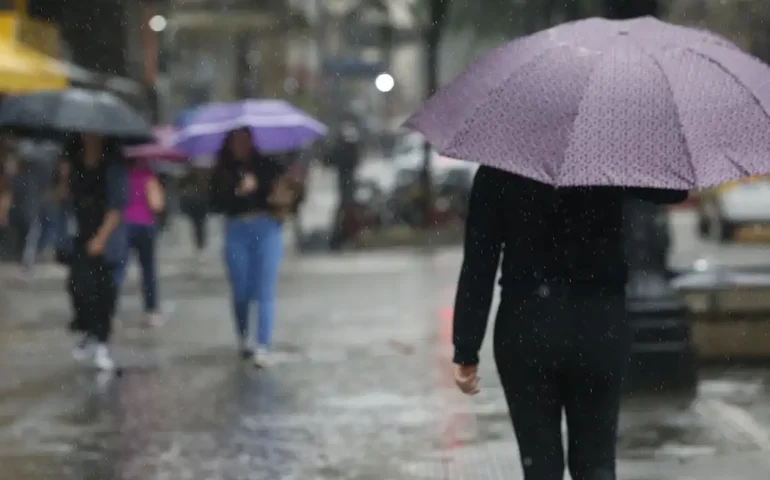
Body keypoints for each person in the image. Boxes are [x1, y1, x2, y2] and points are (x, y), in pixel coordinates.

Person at [452, 165, 686, 480]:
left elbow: (479, 262)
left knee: (540, 465)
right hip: (597, 325)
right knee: (596, 463)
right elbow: (673, 190)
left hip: (527, 326)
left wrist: (466, 348)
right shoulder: (605, 160)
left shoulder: (500, 167)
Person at [209, 128, 295, 367]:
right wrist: (236, 191)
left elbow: (287, 190)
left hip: (266, 228)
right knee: (241, 290)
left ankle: (263, 344)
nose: (240, 144)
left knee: (264, 289)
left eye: (244, 139)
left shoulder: (268, 164)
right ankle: (244, 335)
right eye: (235, 140)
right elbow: (214, 203)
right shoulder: (223, 169)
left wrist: (261, 186)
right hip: (236, 229)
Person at [62, 133, 128, 371]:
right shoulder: (74, 160)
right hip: (81, 231)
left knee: (103, 291)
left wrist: (101, 239)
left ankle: (101, 341)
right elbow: (62, 196)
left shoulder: (113, 165)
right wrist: (63, 177)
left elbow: (116, 207)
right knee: (77, 285)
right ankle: (88, 331)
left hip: (107, 236)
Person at [114, 159, 165, 327]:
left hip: (123, 225)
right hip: (145, 225)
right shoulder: (148, 175)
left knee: (119, 269)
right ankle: (151, 311)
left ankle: (110, 309)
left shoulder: (119, 175)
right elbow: (157, 204)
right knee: (148, 269)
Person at [179, 167, 209, 264]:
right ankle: (198, 248)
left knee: (199, 228)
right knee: (197, 228)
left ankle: (199, 248)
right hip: (194, 207)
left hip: (198, 208)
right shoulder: (192, 178)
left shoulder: (201, 179)